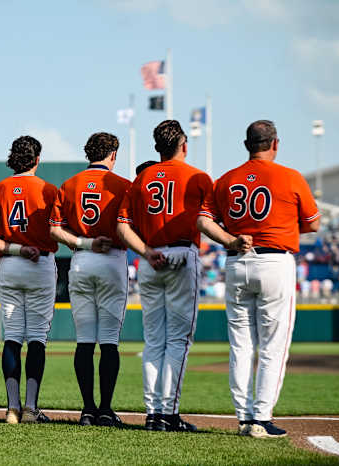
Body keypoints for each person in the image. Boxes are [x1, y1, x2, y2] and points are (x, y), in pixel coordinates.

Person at [197, 120, 319, 438]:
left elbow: (203, 221)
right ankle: (261, 418)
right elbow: (313, 224)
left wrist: (229, 240)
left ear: (246, 144)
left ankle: (244, 417)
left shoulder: (227, 179)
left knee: (241, 345)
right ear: (275, 143)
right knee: (272, 345)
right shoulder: (290, 177)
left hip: (237, 260)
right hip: (275, 261)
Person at [117, 120, 214, 432]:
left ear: (157, 146)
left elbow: (122, 227)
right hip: (181, 256)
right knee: (177, 340)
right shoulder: (198, 176)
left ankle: (152, 413)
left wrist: (145, 252)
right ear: (183, 145)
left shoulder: (142, 177)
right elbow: (211, 221)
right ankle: (169, 414)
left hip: (149, 258)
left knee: (153, 340)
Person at [49, 132, 131, 427]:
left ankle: (87, 409)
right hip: (112, 259)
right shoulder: (123, 185)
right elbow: (128, 229)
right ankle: (106, 409)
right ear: (113, 154)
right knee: (109, 342)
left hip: (82, 260)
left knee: (84, 341)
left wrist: (84, 244)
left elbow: (55, 230)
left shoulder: (70, 184)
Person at [0, 135, 58, 424]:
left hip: (10, 263)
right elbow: (60, 231)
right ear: (37, 159)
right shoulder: (49, 190)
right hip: (40, 265)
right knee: (36, 338)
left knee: (12, 338)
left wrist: (15, 247)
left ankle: (12, 408)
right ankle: (31, 409)